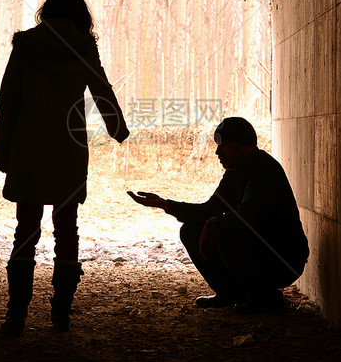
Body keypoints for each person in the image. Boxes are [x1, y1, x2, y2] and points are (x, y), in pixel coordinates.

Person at [0, 0, 129, 334]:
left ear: (47, 10)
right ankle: (61, 314)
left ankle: (16, 315)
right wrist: (119, 130)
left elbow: (8, 99)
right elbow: (101, 88)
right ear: (78, 13)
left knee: (25, 230)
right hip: (68, 148)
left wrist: (3, 152)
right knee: (66, 229)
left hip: (28, 146)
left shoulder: (25, 45)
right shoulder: (84, 46)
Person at [128, 117, 308, 313]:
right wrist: (166, 204)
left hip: (284, 260)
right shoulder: (236, 171)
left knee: (225, 231)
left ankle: (265, 298)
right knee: (191, 231)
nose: (217, 152)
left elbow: (246, 219)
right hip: (262, 249)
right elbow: (209, 209)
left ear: (240, 147)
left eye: (223, 145)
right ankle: (230, 294)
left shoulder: (264, 170)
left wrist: (212, 225)